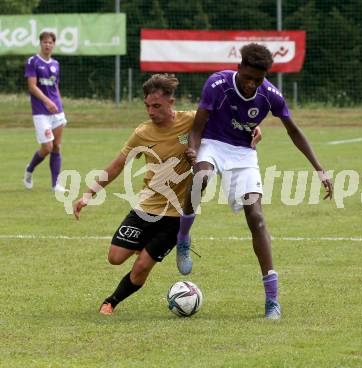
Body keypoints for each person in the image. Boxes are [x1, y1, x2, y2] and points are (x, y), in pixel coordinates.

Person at [72, 74, 261, 316]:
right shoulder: (142, 133)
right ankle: (147, 248)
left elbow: (232, 121)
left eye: (157, 106)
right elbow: (118, 164)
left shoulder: (192, 120)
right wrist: (89, 194)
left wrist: (255, 128)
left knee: (141, 268)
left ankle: (111, 302)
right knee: (115, 257)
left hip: (177, 215)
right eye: (148, 106)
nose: (151, 111)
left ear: (171, 102)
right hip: (146, 207)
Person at [176, 43, 334, 320]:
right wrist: (193, 148)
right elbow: (198, 128)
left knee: (257, 218)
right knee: (201, 176)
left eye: (257, 80)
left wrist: (320, 169)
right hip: (212, 142)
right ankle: (183, 237)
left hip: (243, 154)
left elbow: (293, 131)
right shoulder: (217, 84)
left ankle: (272, 300)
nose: (251, 84)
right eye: (247, 77)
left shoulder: (271, 95)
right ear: (239, 68)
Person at [23, 31, 68, 193]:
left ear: (54, 44)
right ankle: (29, 169)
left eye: (50, 42)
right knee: (47, 147)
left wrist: (58, 104)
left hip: (57, 111)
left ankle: (55, 185)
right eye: (45, 42)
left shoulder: (56, 64)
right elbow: (32, 86)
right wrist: (47, 101)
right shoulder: (32, 62)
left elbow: (55, 87)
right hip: (41, 111)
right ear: (40, 43)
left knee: (56, 146)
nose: (47, 45)